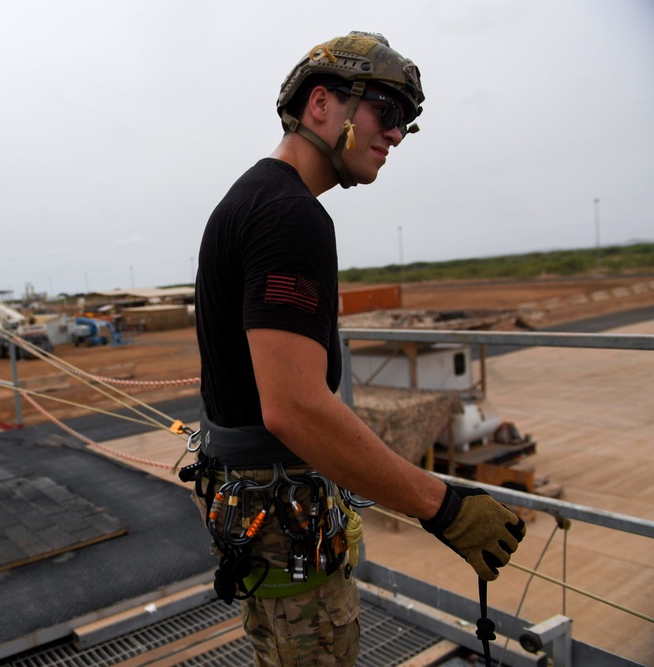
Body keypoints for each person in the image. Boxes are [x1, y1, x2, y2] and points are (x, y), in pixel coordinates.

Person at [190, 32, 525, 666]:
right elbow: (296, 408)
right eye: (386, 113)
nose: (396, 135)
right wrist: (443, 506)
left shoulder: (248, 201)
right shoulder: (290, 216)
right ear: (323, 105)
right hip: (282, 517)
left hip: (258, 513)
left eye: (405, 124)